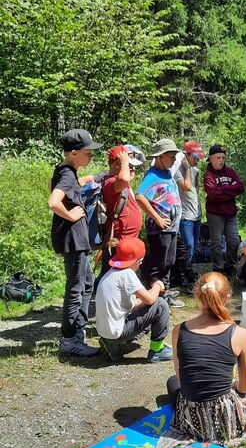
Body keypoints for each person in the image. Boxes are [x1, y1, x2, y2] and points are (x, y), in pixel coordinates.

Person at [153, 272, 246, 448]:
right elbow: (245, 388)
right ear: (227, 297)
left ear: (197, 295)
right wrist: (233, 385)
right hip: (225, 418)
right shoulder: (240, 334)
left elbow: (181, 378)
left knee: (172, 382)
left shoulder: (179, 330)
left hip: (189, 415)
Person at [48, 128, 103, 357]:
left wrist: (90, 179)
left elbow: (55, 186)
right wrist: (70, 215)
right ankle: (70, 340)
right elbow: (53, 201)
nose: (91, 155)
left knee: (87, 284)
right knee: (76, 288)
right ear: (74, 153)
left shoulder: (64, 170)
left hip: (76, 239)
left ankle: (77, 333)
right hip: (73, 240)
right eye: (87, 152)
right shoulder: (68, 175)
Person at [95, 238, 172, 363]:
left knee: (153, 307)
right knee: (161, 305)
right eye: (140, 261)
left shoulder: (111, 272)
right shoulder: (127, 273)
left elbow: (134, 304)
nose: (140, 264)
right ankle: (157, 351)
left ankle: (112, 344)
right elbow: (150, 300)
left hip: (106, 332)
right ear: (136, 260)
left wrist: (149, 296)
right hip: (117, 333)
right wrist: (157, 285)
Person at [136, 139, 184, 308]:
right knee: (159, 263)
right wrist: (157, 218)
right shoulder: (152, 175)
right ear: (160, 157)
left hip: (171, 228)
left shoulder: (167, 173)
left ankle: (164, 293)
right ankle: (154, 297)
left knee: (169, 261)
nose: (173, 159)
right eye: (171, 156)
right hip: (160, 229)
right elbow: (140, 196)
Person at [94, 145, 143, 283]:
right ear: (117, 164)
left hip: (125, 240)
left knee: (119, 275)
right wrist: (125, 164)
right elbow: (123, 180)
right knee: (111, 275)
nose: (132, 170)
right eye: (129, 166)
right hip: (117, 242)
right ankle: (99, 292)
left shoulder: (118, 182)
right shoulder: (110, 182)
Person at [204, 144, 244, 276]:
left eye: (223, 157)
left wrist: (222, 189)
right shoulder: (209, 175)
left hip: (230, 213)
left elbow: (241, 188)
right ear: (211, 158)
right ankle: (218, 268)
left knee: (234, 241)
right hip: (215, 214)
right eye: (218, 157)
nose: (221, 160)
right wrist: (231, 190)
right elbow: (214, 196)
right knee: (216, 242)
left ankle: (230, 264)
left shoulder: (230, 172)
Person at [174, 141, 205, 265]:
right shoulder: (177, 171)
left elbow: (195, 191)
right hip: (185, 215)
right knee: (188, 245)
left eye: (198, 158)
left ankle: (190, 269)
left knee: (194, 245)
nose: (197, 160)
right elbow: (186, 187)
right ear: (185, 154)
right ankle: (185, 270)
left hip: (196, 213)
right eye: (195, 157)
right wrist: (186, 168)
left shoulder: (195, 170)